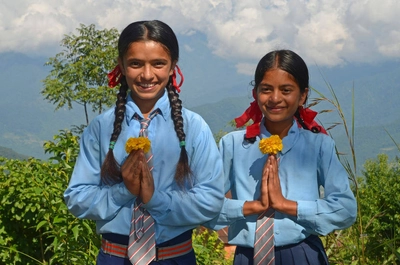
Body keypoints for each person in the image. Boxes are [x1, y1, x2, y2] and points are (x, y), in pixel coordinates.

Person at [64, 20, 224, 265]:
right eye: (136, 64)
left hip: (175, 257)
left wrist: (154, 199)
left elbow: (210, 200)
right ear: (122, 66)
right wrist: (124, 191)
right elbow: (76, 197)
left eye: (158, 64)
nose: (147, 75)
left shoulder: (194, 127)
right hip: (114, 257)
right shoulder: (101, 128)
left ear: (173, 68)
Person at [205, 49, 357, 265]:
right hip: (247, 257)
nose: (275, 98)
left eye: (286, 90)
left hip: (302, 254)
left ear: (302, 95)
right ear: (255, 93)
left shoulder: (318, 145)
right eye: (266, 89)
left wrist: (286, 205)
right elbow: (204, 207)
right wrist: (252, 206)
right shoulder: (233, 145)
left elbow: (346, 209)